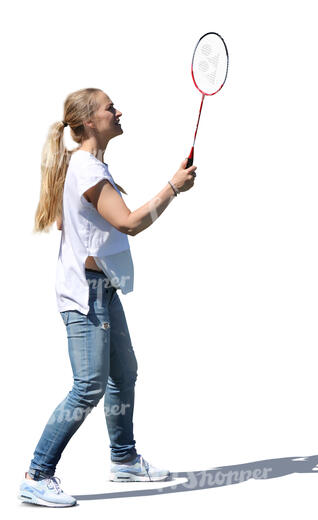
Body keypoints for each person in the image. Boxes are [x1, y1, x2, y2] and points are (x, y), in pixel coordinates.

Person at [21, 88, 197, 507]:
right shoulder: (84, 168)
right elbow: (131, 223)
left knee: (125, 373)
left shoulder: (86, 166)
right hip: (86, 296)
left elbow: (72, 222)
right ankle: (37, 474)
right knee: (89, 386)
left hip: (104, 289)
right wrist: (172, 187)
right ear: (87, 123)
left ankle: (124, 458)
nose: (118, 111)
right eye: (109, 108)